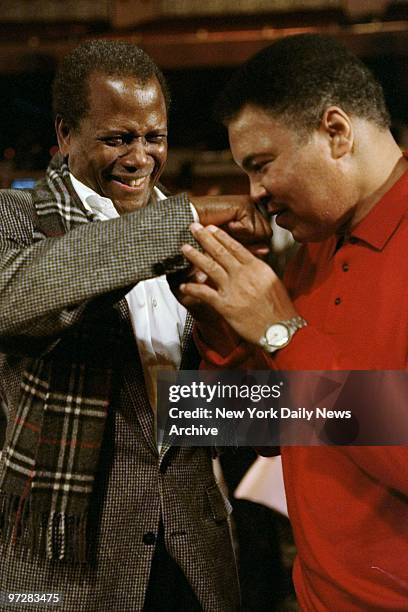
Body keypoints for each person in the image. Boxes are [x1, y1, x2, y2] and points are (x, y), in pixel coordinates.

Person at [0, 40, 271, 611]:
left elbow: (204, 416)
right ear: (65, 134)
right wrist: (181, 223)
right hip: (69, 566)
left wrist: (272, 360)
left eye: (155, 137)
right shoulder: (15, 217)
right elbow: (23, 293)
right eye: (118, 138)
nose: (141, 157)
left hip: (191, 562)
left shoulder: (197, 245)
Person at [177, 34, 408, 610]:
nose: (256, 193)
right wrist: (223, 328)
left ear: (336, 132)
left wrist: (282, 332)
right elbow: (273, 434)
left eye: (262, 164)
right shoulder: (315, 251)